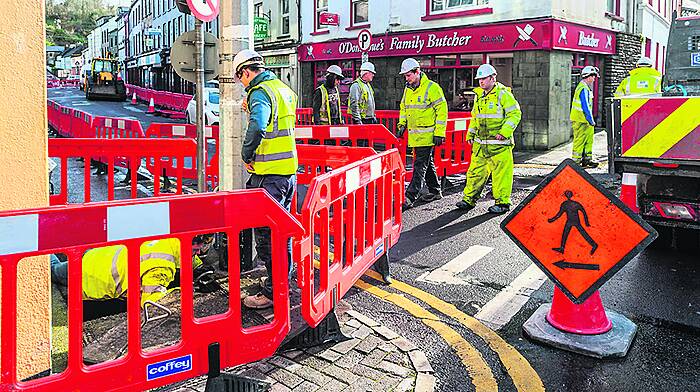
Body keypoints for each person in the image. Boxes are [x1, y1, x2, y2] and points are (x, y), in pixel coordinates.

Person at [233, 49, 298, 309]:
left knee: (268, 237)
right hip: (287, 172)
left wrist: (246, 154)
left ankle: (273, 293)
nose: (242, 84)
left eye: (241, 79)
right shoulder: (282, 88)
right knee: (283, 234)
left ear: (246, 72)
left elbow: (259, 126)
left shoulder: (260, 93)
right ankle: (282, 282)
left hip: (268, 176)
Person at [50, 236, 218, 307]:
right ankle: (42, 253)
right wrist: (190, 292)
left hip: (99, 256)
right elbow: (152, 302)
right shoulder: (161, 265)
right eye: (196, 251)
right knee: (51, 271)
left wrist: (198, 268)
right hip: (89, 275)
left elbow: (185, 254)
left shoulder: (172, 239)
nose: (197, 254)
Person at [456, 64, 522, 214]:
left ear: (493, 78)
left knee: (501, 176)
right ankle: (468, 199)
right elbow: (475, 118)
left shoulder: (503, 94)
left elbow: (515, 114)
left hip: (499, 146)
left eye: (484, 78)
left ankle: (502, 203)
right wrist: (470, 134)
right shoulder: (479, 95)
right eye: (479, 79)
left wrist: (504, 132)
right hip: (481, 145)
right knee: (474, 173)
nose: (481, 82)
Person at [396, 58, 448, 211]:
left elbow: (442, 110)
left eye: (408, 75)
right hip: (415, 135)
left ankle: (410, 196)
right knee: (426, 162)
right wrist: (401, 124)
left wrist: (439, 133)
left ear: (417, 72)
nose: (406, 79)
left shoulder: (432, 88)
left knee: (419, 165)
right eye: (405, 76)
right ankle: (435, 190)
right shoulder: (408, 89)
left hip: (427, 136)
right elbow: (404, 107)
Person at [570, 65, 600, 168]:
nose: (594, 79)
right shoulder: (583, 88)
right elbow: (585, 106)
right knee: (579, 141)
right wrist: (591, 120)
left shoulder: (585, 88)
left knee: (588, 140)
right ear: (589, 76)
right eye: (594, 76)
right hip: (581, 120)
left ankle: (587, 160)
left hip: (584, 120)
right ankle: (576, 163)